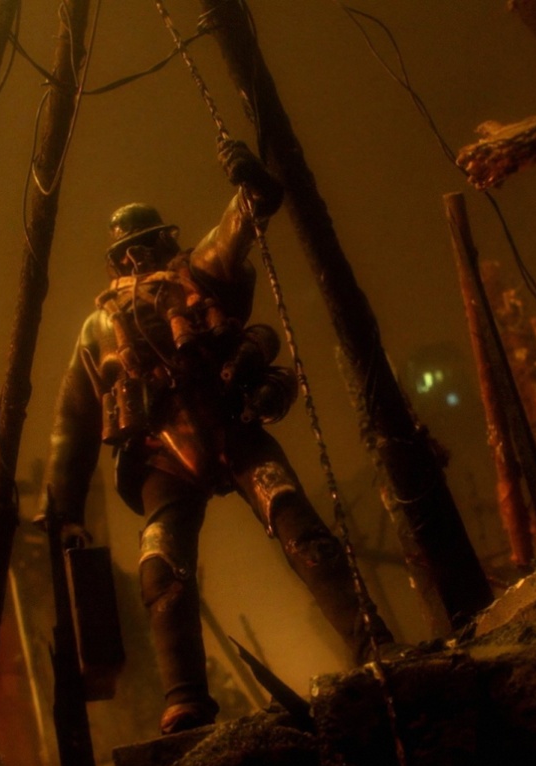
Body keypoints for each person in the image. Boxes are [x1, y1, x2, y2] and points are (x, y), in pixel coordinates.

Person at [39, 141, 393, 734]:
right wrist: (64, 510)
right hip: (161, 456)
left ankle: (371, 641)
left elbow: (239, 226)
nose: (138, 258)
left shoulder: (199, 273)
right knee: (161, 568)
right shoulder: (97, 329)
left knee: (298, 526)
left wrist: (252, 186)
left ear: (162, 242)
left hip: (232, 423)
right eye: (129, 250)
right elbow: (71, 425)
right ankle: (185, 700)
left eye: (145, 245)